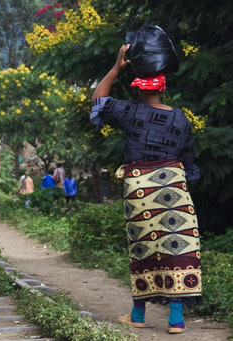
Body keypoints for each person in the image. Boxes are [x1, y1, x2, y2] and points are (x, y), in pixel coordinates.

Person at [90, 44, 201, 335]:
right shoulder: (181, 118)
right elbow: (190, 164)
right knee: (178, 247)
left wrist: (117, 67)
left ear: (139, 90)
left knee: (143, 249)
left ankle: (138, 314)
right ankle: (176, 319)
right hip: (173, 186)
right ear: (163, 90)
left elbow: (98, 100)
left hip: (138, 188)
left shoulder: (130, 111)